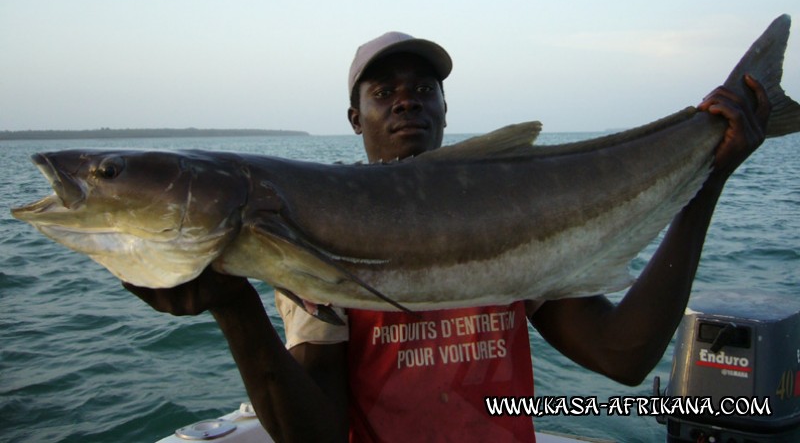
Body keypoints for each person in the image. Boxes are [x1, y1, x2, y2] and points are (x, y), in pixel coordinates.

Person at [126, 31, 770, 442]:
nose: (408, 101)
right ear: (355, 117)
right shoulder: (306, 224)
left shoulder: (505, 211)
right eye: (385, 92)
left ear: (444, 110)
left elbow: (623, 356)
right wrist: (235, 306)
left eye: (423, 89)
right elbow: (315, 433)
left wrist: (705, 181)